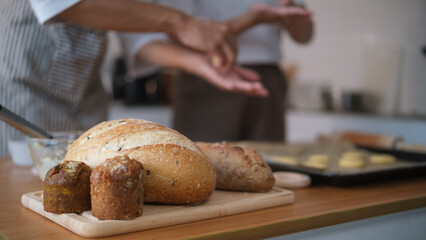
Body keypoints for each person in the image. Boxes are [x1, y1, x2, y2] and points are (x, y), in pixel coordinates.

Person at [0, 0, 238, 157]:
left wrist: (198, 64)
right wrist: (182, 22)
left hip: (87, 95)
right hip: (24, 85)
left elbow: (137, 38)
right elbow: (57, 4)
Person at [119, 0, 314, 142]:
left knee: (270, 168)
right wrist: (250, 19)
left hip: (268, 79)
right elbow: (182, 33)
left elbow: (305, 34)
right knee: (208, 170)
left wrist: (289, 9)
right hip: (205, 79)